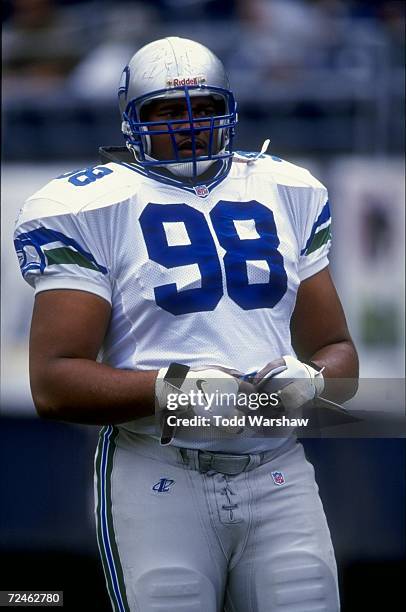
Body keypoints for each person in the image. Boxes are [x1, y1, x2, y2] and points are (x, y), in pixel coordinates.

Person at [14, 36, 358, 612]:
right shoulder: (86, 205)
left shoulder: (287, 189)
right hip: (159, 469)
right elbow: (53, 383)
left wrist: (314, 383)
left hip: (278, 470)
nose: (190, 125)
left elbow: (336, 349)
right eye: (168, 110)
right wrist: (171, 391)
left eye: (203, 107)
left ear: (229, 110)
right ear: (133, 119)